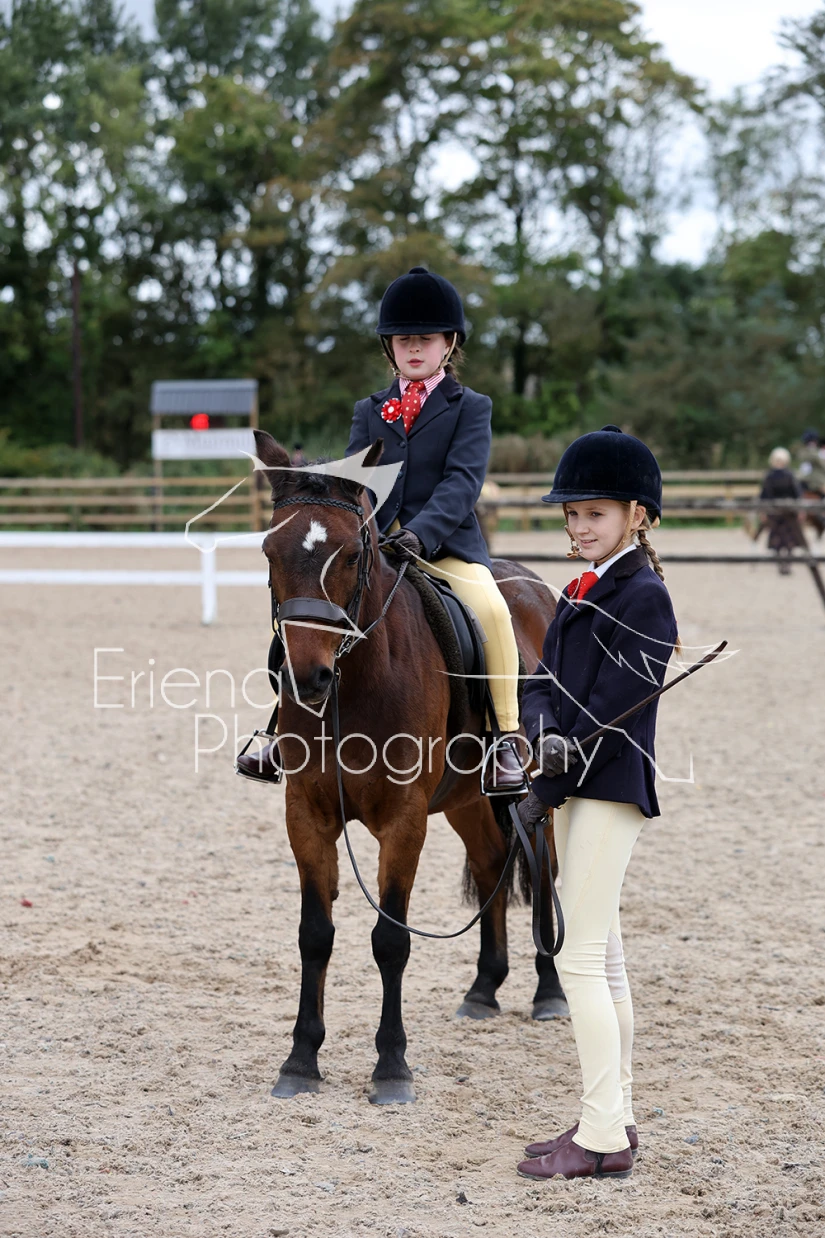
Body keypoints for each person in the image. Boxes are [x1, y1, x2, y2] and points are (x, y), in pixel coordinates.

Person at [237, 266, 525, 792]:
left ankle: (505, 737)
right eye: (403, 338)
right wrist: (362, 530)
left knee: (491, 610)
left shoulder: (471, 408)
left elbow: (462, 482)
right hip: (376, 546)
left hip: (446, 546)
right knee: (308, 610)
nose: (414, 347)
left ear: (449, 343)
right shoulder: (369, 409)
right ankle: (283, 728)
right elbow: (355, 482)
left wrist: (421, 532)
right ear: (389, 346)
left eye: (425, 338)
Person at [515, 425, 678, 1182]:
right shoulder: (579, 590)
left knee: (577, 959)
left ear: (636, 516)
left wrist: (545, 783)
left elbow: (612, 717)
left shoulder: (644, 598)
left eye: (595, 515)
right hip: (574, 785)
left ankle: (603, 1132)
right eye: (573, 514)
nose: (580, 527)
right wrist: (541, 738)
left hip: (609, 790)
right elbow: (540, 685)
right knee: (604, 959)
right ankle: (613, 1115)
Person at [759, 446, 806, 573]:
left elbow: (764, 495)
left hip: (776, 511)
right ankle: (785, 563)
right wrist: (800, 510)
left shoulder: (771, 476)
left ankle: (783, 562)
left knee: (779, 537)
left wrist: (763, 511)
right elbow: (797, 494)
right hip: (787, 511)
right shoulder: (789, 475)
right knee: (787, 538)